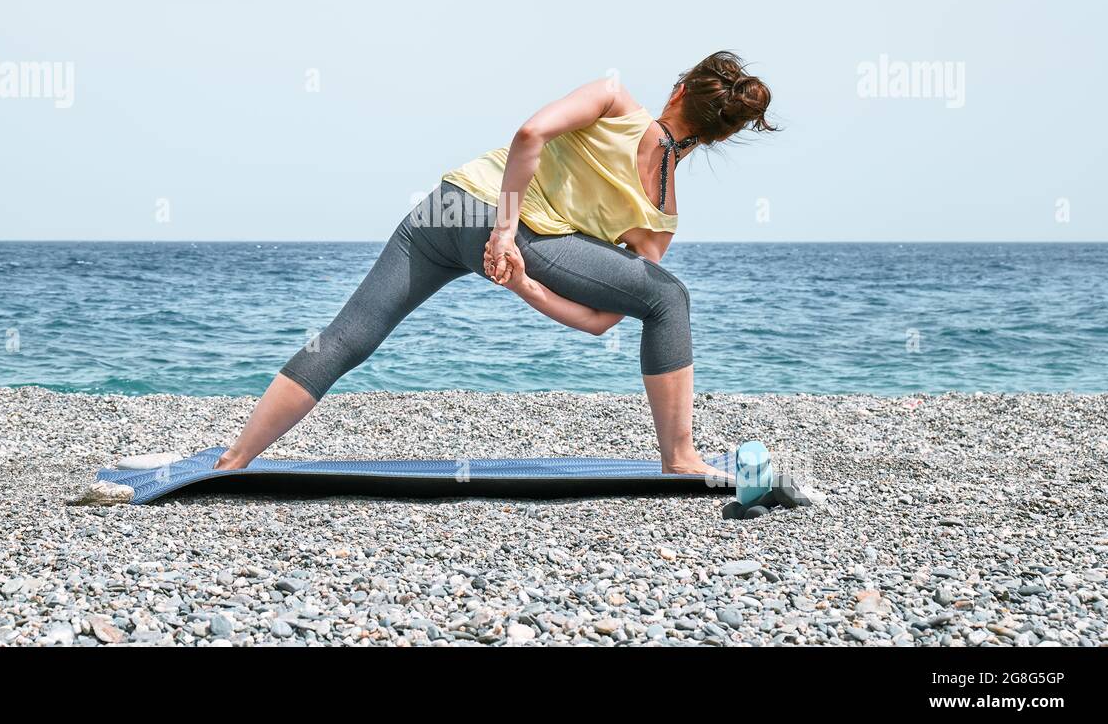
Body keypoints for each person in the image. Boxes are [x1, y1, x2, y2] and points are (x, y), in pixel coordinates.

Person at [214, 51, 775, 476]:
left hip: (448, 207)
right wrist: (519, 265)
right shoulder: (660, 211)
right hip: (512, 234)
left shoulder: (611, 97)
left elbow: (531, 132)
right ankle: (679, 456)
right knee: (667, 297)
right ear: (718, 137)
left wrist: (508, 247)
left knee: (346, 338)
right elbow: (603, 319)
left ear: (677, 89)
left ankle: (237, 458)